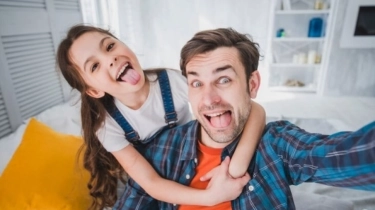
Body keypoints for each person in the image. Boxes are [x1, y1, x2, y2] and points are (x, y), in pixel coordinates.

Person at [115, 27, 375, 209]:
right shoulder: (162, 151)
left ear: (252, 84)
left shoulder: (275, 145)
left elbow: (344, 155)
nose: (209, 99)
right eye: (196, 83)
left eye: (224, 79)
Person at [56, 25, 266, 209]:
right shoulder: (106, 126)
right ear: (93, 91)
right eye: (94, 66)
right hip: (151, 182)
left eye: (110, 46)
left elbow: (255, 110)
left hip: (188, 163)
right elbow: (150, 182)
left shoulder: (174, 83)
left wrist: (236, 167)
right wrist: (209, 197)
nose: (110, 59)